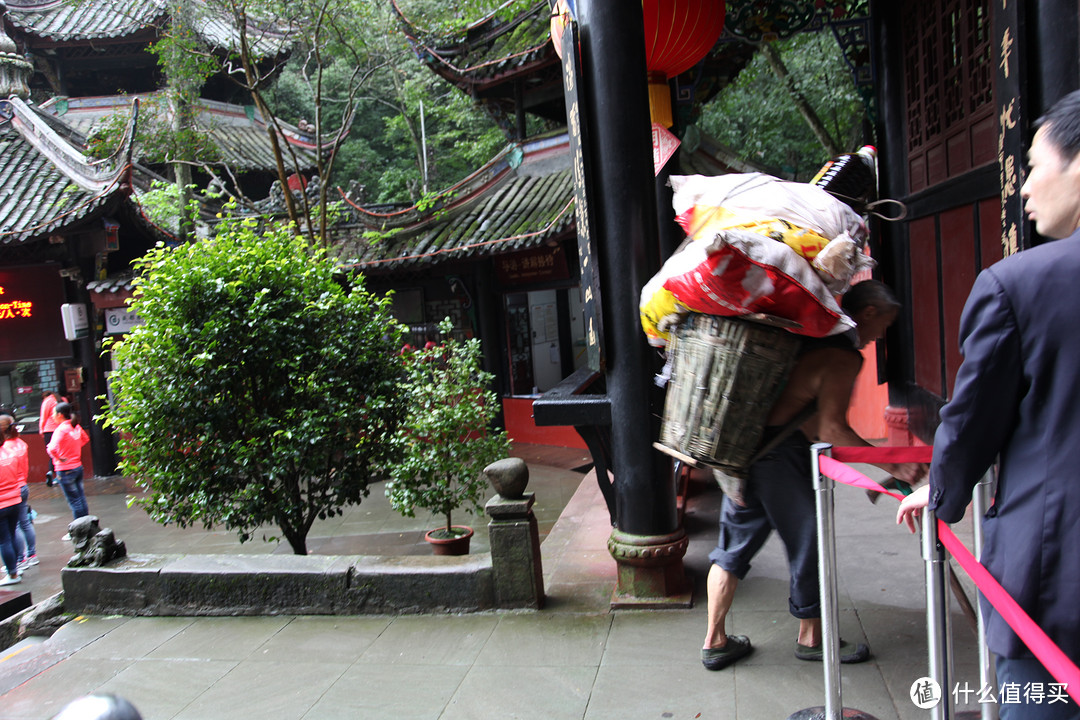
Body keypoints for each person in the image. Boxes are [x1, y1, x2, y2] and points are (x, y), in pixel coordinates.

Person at [897, 90, 1080, 719]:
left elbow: (972, 421)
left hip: (1056, 577)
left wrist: (943, 492)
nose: (1025, 187)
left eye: (1034, 164)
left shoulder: (1020, 287)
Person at [702, 280, 926, 670]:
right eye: (882, 326)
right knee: (810, 543)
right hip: (781, 458)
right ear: (868, 313)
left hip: (748, 450)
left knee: (732, 548)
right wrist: (892, 465)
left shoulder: (807, 340)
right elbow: (831, 430)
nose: (879, 337)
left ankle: (715, 641)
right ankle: (812, 638)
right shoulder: (841, 356)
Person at [0, 415, 36, 569]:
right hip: (21, 487)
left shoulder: (6, 448)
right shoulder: (21, 444)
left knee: (12, 531)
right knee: (25, 523)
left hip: (9, 491)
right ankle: (31, 555)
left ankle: (19, 560)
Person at [46, 401, 90, 524]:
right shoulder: (75, 425)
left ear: (60, 414)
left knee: (74, 500)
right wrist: (73, 449)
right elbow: (85, 439)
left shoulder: (61, 429)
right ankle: (87, 525)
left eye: (53, 413)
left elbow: (51, 449)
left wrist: (59, 457)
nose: (52, 416)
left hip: (65, 470)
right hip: (77, 467)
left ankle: (80, 529)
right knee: (80, 498)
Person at [0, 423, 26, 585]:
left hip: (1, 504)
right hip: (15, 500)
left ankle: (12, 574)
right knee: (11, 534)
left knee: (4, 540)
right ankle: (17, 565)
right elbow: (19, 474)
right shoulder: (10, 452)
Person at [39, 389, 61, 484]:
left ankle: (52, 474)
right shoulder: (58, 400)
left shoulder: (47, 401)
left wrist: (41, 429)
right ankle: (57, 475)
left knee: (52, 453)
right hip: (59, 429)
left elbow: (43, 417)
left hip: (49, 430)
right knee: (59, 452)